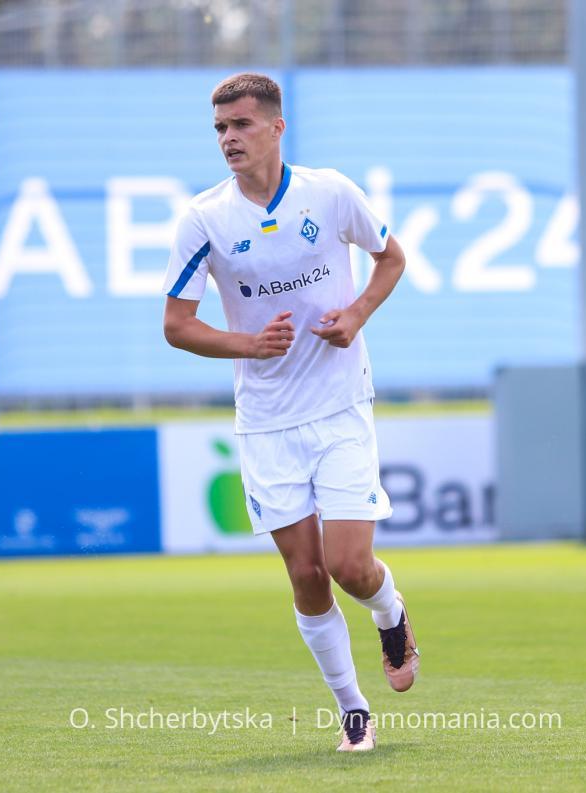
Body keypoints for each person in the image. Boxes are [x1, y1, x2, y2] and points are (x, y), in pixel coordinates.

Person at [162, 73, 418, 752]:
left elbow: (391, 258)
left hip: (339, 405)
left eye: (241, 125)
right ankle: (353, 710)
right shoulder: (204, 219)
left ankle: (389, 612)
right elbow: (177, 325)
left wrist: (356, 314)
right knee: (306, 575)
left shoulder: (329, 193)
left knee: (349, 565)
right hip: (267, 421)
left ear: (277, 127)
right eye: (220, 128)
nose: (229, 139)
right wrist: (247, 344)